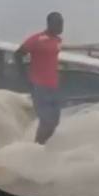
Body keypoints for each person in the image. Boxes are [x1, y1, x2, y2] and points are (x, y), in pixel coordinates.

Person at [15, 12, 63, 144]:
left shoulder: (58, 41)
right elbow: (18, 54)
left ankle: (42, 146)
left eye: (62, 23)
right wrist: (24, 77)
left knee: (55, 121)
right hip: (39, 86)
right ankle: (37, 147)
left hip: (54, 86)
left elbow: (51, 60)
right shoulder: (37, 39)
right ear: (50, 24)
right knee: (46, 121)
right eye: (59, 23)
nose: (61, 27)